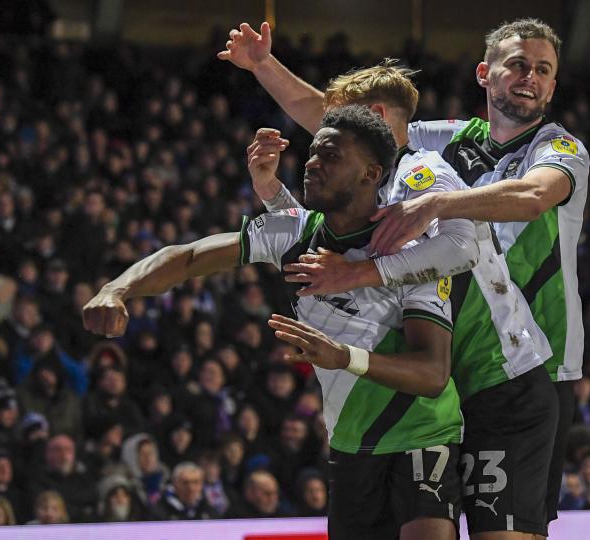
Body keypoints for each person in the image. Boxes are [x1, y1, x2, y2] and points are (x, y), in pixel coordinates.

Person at [221, 29, 558, 540]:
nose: (327, 134)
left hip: (500, 380)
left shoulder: (419, 171)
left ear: (374, 121)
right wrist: (264, 68)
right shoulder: (383, 167)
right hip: (450, 385)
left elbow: (463, 248)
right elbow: (316, 114)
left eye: (344, 123)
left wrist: (359, 272)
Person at [83, 106, 463, 539]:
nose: (312, 164)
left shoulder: (413, 250)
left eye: (331, 156)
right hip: (349, 442)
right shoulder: (294, 232)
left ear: (371, 174)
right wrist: (117, 288)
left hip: (422, 433)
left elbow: (432, 373)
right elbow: (188, 257)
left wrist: (344, 357)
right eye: (313, 153)